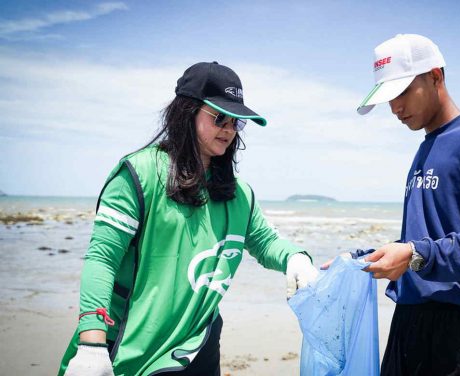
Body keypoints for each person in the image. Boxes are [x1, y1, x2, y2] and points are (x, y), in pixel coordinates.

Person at [58, 62, 319, 376]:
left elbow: (266, 242)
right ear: (186, 112)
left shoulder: (238, 194)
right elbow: (102, 258)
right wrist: (92, 344)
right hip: (131, 348)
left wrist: (295, 258)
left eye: (236, 122)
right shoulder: (138, 176)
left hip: (199, 344)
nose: (229, 129)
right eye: (219, 117)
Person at [328, 34, 460, 375]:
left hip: (458, 326)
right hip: (408, 318)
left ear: (435, 76)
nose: (395, 108)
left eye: (402, 92)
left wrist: (417, 255)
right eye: (388, 98)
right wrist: (360, 260)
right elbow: (425, 237)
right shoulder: (425, 148)